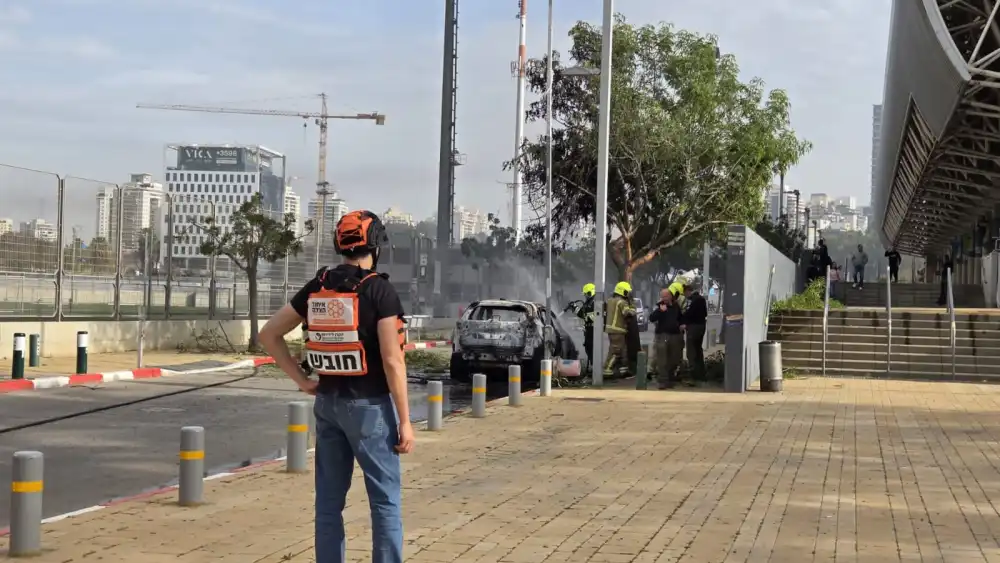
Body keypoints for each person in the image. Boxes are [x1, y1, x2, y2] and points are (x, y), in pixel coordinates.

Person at [259, 209, 413, 563]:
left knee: (328, 504)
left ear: (340, 244)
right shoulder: (379, 290)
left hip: (327, 403)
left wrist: (302, 382)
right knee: (385, 502)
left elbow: (269, 334)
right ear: (376, 242)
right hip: (370, 408)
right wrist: (405, 421)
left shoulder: (319, 285)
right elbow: (393, 361)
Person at [648, 288, 683, 389]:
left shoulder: (676, 306)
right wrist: (660, 311)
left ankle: (670, 379)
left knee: (674, 358)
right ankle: (663, 381)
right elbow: (652, 318)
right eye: (662, 297)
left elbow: (681, 317)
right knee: (662, 359)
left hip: (675, 335)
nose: (664, 299)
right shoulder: (660, 306)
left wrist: (682, 324)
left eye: (666, 296)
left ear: (670, 296)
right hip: (662, 335)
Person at [603, 281, 635, 378]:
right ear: (623, 292)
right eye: (627, 292)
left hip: (612, 329)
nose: (628, 294)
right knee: (615, 351)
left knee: (623, 350)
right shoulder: (622, 302)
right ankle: (607, 370)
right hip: (618, 330)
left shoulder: (610, 300)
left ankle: (624, 371)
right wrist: (633, 307)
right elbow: (628, 313)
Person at [681, 283, 708, 380]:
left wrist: (684, 321)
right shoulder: (701, 299)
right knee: (698, 349)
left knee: (691, 351)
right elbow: (705, 313)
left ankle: (693, 373)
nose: (685, 296)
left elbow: (689, 314)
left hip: (694, 327)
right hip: (701, 326)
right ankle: (701, 373)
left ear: (687, 291)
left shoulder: (693, 301)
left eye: (685, 294)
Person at [576, 283, 597, 374]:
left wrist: (585, 316)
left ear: (590, 293)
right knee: (588, 347)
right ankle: (592, 366)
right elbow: (582, 313)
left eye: (586, 294)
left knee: (592, 348)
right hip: (589, 330)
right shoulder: (589, 302)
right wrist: (575, 308)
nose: (585, 296)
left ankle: (594, 368)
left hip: (594, 330)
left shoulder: (595, 302)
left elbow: (592, 317)